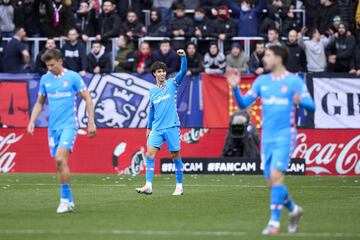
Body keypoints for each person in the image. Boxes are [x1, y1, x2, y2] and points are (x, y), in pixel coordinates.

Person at [227, 45, 315, 235]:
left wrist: (301, 101)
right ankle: (293, 209)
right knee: (272, 183)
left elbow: (312, 105)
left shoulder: (294, 81)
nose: (264, 59)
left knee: (276, 177)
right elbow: (243, 104)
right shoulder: (261, 81)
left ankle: (274, 223)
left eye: (267, 55)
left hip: (286, 135)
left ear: (278, 58)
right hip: (267, 137)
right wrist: (235, 88)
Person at [27, 49, 96, 213]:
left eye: (51, 65)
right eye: (47, 65)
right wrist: (31, 121)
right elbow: (39, 103)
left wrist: (91, 123)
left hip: (69, 125)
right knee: (60, 164)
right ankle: (70, 201)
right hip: (53, 128)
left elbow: (87, 98)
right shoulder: (45, 79)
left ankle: (64, 201)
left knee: (59, 159)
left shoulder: (72, 77)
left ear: (60, 61)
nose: (49, 68)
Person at [136, 49, 187, 196]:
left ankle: (179, 186)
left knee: (175, 155)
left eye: (163, 71)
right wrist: (148, 128)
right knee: (150, 154)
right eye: (159, 71)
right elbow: (151, 111)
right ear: (154, 74)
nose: (162, 73)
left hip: (171, 126)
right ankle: (148, 185)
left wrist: (183, 58)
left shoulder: (172, 84)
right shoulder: (152, 91)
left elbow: (183, 71)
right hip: (157, 129)